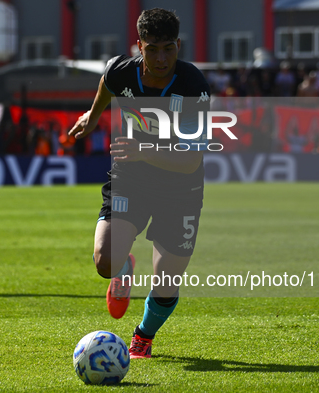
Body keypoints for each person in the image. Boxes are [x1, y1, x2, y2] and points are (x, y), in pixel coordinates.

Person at [69, 8, 210, 359]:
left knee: (166, 282)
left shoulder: (193, 87)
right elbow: (108, 82)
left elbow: (192, 159)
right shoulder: (122, 70)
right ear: (139, 47)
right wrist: (94, 114)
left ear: (179, 45)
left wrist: (145, 151)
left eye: (169, 49)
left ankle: (143, 336)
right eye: (152, 50)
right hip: (130, 178)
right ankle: (124, 266)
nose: (161, 58)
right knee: (105, 262)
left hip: (181, 187)